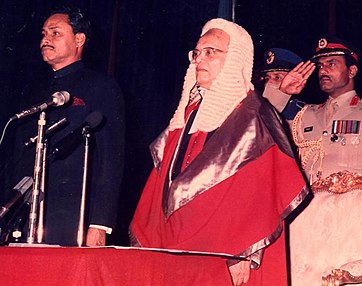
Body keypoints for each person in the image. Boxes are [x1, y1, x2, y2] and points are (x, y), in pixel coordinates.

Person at [129, 18, 309, 285]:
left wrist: (243, 254)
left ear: (234, 58)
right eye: (197, 53)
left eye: (210, 52)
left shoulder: (255, 114)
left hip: (231, 250)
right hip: (179, 245)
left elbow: (263, 193)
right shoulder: (188, 114)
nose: (199, 59)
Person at [9, 5, 125, 246]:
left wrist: (100, 223)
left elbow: (111, 159)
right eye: (43, 34)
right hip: (27, 213)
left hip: (75, 215)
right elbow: (20, 157)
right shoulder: (32, 91)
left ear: (79, 39)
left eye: (55, 33)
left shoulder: (101, 86)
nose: (45, 39)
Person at [268, 35, 362, 186]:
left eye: (331, 64)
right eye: (320, 66)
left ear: (352, 71)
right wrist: (282, 93)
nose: (323, 71)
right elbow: (263, 129)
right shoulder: (305, 115)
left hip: (350, 208)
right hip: (311, 209)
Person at [261, 48, 305, 120]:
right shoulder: (256, 108)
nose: (268, 83)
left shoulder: (300, 114)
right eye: (267, 78)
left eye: (277, 78)